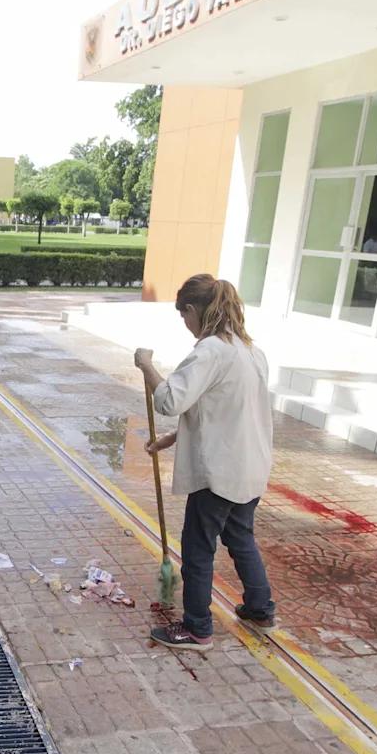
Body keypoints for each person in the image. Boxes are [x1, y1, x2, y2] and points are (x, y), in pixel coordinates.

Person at [134, 273, 276, 652]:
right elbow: (224, 411)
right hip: (251, 466)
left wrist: (146, 365)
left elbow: (169, 401)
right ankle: (260, 609)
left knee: (198, 549)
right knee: (240, 537)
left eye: (184, 316)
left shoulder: (210, 350)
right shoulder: (250, 351)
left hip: (219, 473)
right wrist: (171, 439)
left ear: (194, 310)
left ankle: (197, 628)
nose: (186, 325)